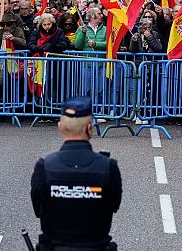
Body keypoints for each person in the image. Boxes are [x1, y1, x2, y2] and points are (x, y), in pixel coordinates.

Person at [30, 96, 121, 250]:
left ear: (60, 127)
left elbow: (38, 210)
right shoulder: (108, 167)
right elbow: (114, 205)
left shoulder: (44, 167)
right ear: (89, 127)